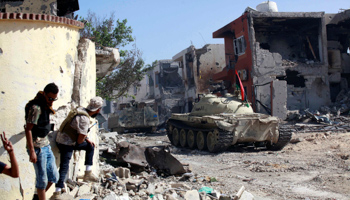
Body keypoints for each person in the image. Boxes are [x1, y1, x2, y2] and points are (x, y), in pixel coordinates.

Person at [51, 97, 103, 199]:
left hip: (60, 138)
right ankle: (57, 193)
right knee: (65, 166)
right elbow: (79, 141)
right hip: (66, 143)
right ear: (98, 110)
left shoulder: (80, 110)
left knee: (88, 146)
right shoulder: (85, 119)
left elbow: (76, 129)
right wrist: (84, 137)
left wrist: (86, 137)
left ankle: (58, 191)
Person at [25, 83, 59, 200]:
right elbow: (28, 129)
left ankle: (37, 197)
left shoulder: (45, 106)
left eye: (54, 99)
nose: (51, 101)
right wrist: (32, 151)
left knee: (54, 176)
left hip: (46, 145)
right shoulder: (36, 108)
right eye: (50, 98)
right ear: (44, 94)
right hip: (37, 147)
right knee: (42, 180)